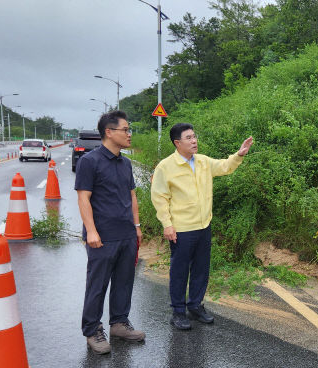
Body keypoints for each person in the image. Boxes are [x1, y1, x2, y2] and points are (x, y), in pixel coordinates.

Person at [151, 123, 253, 330]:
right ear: (177, 143)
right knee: (180, 271)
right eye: (188, 138)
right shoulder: (166, 166)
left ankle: (195, 306)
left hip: (203, 225)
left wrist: (239, 155)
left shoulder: (204, 162)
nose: (194, 140)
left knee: (201, 269)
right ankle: (178, 312)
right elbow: (159, 197)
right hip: (181, 228)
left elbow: (224, 166)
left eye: (194, 136)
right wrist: (167, 225)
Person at [75, 110, 145, 354]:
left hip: (126, 233)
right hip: (102, 236)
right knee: (98, 284)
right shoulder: (90, 161)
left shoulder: (125, 163)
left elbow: (132, 196)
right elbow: (84, 198)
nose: (129, 134)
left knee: (124, 281)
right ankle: (92, 330)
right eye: (125, 130)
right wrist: (91, 231)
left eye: (129, 130)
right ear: (109, 132)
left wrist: (136, 227)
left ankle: (119, 323)